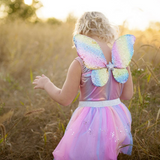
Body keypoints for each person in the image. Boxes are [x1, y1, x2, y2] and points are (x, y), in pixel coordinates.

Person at [32, 12, 135, 160]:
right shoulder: (121, 61)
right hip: (116, 119)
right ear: (107, 30)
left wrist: (47, 84)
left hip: (89, 120)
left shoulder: (80, 62)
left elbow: (65, 99)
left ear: (81, 31)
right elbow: (127, 95)